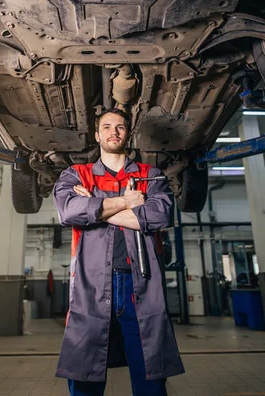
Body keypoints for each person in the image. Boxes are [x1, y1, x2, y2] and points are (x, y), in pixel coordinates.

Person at [53, 108, 184, 396]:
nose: (114, 131)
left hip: (141, 284)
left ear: (128, 134)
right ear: (97, 135)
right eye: (107, 126)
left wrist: (96, 208)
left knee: (150, 372)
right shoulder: (76, 174)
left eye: (121, 127)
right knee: (85, 370)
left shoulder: (151, 175)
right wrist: (127, 202)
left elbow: (159, 216)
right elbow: (69, 211)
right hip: (91, 284)